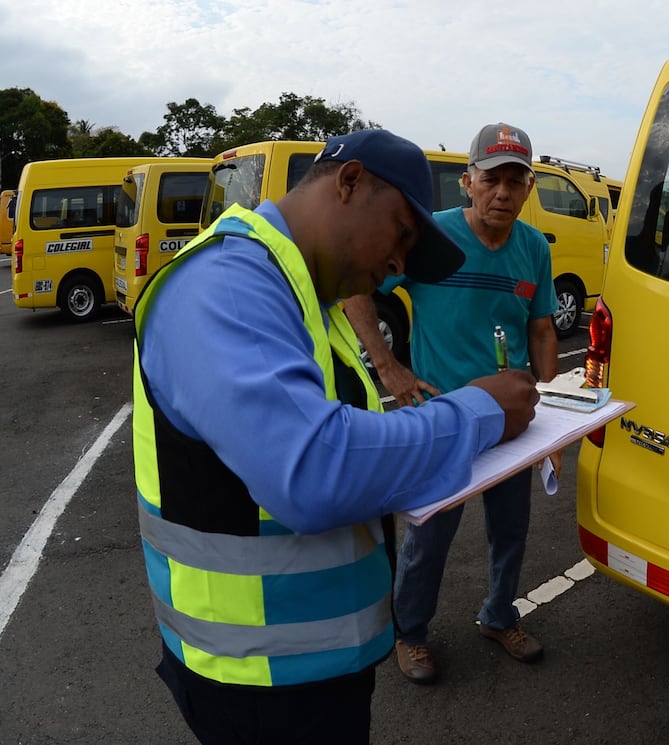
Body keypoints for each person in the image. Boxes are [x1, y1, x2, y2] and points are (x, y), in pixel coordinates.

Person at [132, 128, 540, 745]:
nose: (400, 264)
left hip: (308, 665)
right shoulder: (230, 286)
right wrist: (479, 412)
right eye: (402, 233)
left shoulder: (300, 294)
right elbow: (316, 470)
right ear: (348, 184)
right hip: (261, 684)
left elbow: (346, 434)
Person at [343, 122, 558, 685]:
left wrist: (554, 408)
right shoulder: (429, 236)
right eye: (492, 180)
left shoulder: (533, 248)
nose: (503, 194)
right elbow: (355, 288)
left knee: (511, 529)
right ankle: (410, 634)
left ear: (529, 188)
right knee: (430, 535)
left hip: (511, 422)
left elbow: (540, 331)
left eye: (516, 181)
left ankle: (498, 615)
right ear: (468, 181)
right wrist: (389, 367)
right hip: (441, 420)